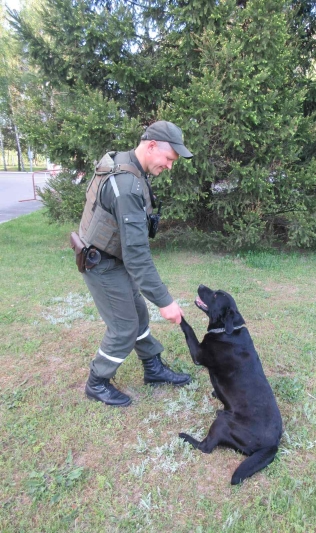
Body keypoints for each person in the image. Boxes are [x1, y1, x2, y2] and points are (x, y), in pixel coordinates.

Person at [78, 121, 194, 407]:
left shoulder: (128, 163)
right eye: (168, 159)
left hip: (111, 257)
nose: (169, 166)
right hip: (101, 263)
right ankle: (97, 382)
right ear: (152, 145)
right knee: (124, 327)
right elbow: (137, 255)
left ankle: (153, 369)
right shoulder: (127, 185)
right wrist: (165, 301)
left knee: (138, 313)